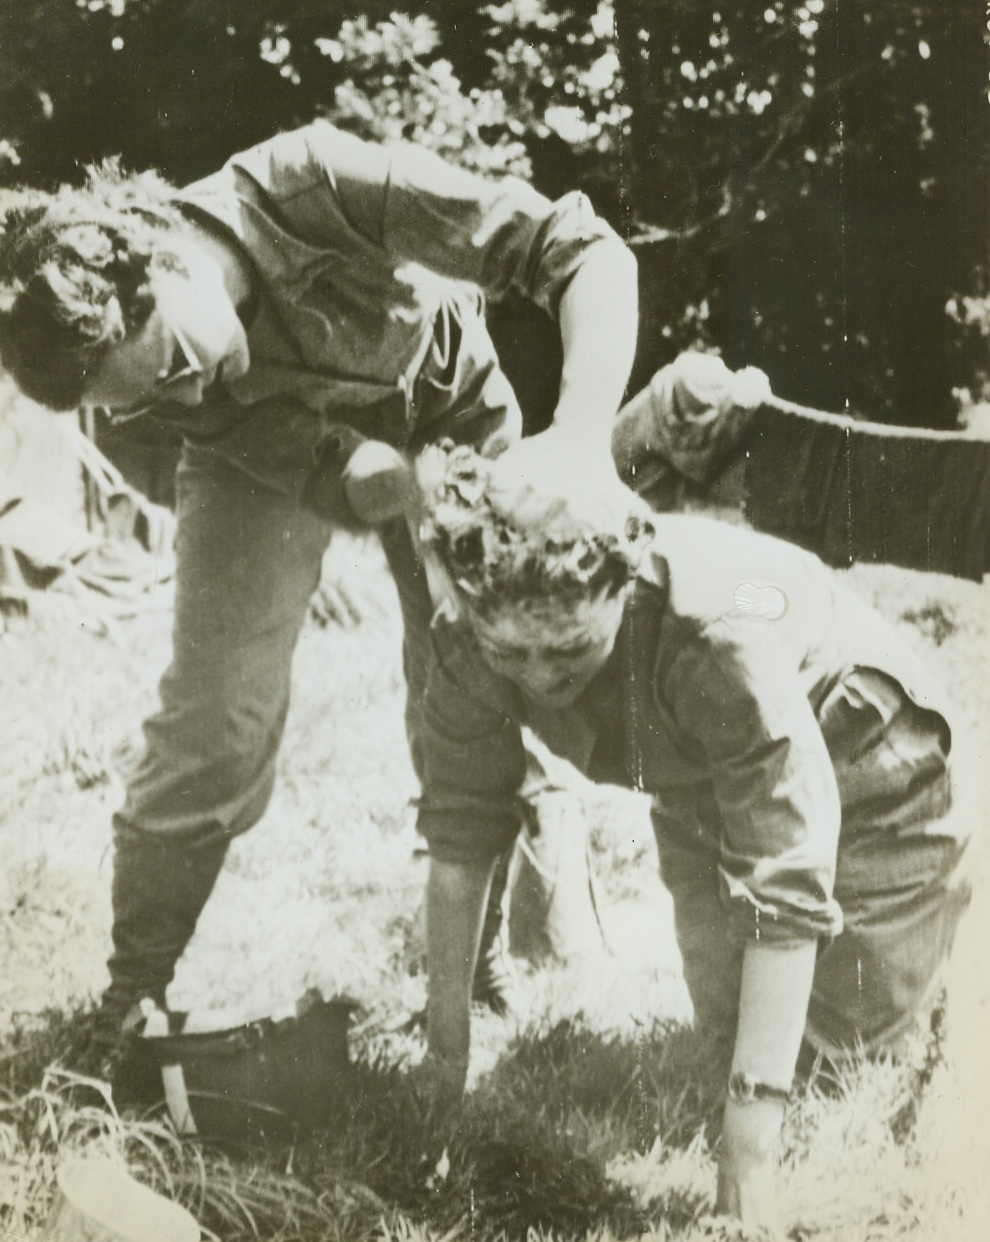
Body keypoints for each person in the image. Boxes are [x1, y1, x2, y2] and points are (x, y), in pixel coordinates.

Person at [0, 122, 638, 1063]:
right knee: (218, 718)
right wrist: (373, 479)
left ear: (164, 255)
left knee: (481, 676)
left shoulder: (312, 186)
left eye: (173, 366)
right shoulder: (181, 394)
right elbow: (318, 463)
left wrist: (579, 438)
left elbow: (581, 251)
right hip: (281, 466)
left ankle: (476, 971)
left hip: (449, 407)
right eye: (148, 401)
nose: (185, 399)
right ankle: (129, 1001)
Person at [413, 444, 972, 1234]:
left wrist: (748, 1159)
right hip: (700, 779)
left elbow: (783, 879)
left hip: (877, 771)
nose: (536, 677)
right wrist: (443, 1063)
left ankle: (945, 966)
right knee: (732, 1045)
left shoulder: (712, 631)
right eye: (511, 654)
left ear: (622, 586)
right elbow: (459, 839)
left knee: (834, 1077)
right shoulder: (465, 636)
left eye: (568, 651)